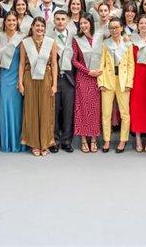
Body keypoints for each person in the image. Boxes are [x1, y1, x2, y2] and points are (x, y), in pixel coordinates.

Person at [19, 17, 58, 156]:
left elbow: (54, 64)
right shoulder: (25, 43)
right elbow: (22, 64)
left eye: (42, 26)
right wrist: (20, 82)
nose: (39, 28)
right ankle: (34, 143)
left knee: (46, 110)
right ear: (32, 27)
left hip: (46, 78)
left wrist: (55, 84)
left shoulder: (51, 43)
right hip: (29, 78)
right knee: (31, 110)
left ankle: (45, 143)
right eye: (37, 26)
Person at [98, 17, 134, 153]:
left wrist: (129, 82)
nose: (114, 30)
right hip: (108, 79)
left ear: (121, 28)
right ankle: (106, 140)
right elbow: (101, 63)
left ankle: (122, 140)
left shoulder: (128, 44)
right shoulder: (105, 44)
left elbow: (131, 65)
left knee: (125, 113)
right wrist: (100, 82)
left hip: (123, 80)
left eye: (116, 27)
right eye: (111, 28)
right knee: (106, 113)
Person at [71, 15, 101, 153]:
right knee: (82, 108)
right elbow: (74, 60)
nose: (83, 25)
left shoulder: (99, 38)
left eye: (86, 23)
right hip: (83, 77)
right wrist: (88, 71)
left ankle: (94, 139)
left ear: (91, 23)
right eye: (81, 23)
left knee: (95, 109)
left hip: (98, 77)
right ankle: (83, 140)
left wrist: (98, 71)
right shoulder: (77, 39)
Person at [46, 10, 75, 153]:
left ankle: (67, 141)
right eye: (57, 19)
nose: (60, 22)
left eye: (63, 19)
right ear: (54, 20)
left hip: (69, 79)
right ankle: (54, 140)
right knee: (54, 110)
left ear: (67, 21)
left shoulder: (73, 37)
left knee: (68, 111)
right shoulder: (48, 37)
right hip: (54, 79)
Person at [0, 11, 25, 152]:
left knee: (17, 110)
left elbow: (22, 62)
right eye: (9, 20)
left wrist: (20, 81)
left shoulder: (22, 37)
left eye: (14, 20)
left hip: (16, 77)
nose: (12, 23)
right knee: (4, 108)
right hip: (3, 76)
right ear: (5, 22)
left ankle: (17, 142)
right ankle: (6, 143)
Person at [129, 15, 146, 153]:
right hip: (136, 77)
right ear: (137, 25)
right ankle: (138, 138)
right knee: (136, 107)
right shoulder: (131, 39)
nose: (144, 25)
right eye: (141, 23)